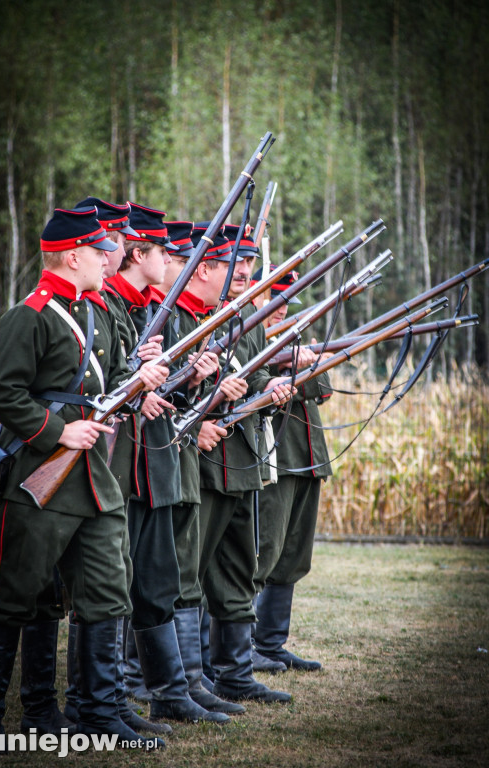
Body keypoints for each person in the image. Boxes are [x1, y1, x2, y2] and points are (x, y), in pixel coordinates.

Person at [0, 206, 169, 750]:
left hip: (93, 478)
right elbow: (0, 392)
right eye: (102, 247)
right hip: (42, 473)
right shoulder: (32, 315)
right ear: (73, 253)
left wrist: (141, 374)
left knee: (108, 589)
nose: (111, 255)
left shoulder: (96, 310)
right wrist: (56, 432)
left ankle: (100, 711)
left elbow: (100, 388)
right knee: (16, 594)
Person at [105, 203, 229, 725]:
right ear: (141, 255)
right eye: (164, 252)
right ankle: (113, 696)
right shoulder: (113, 308)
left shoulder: (140, 311)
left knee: (156, 582)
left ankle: (169, 692)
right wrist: (141, 389)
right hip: (124, 467)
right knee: (111, 587)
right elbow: (104, 387)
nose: (173, 261)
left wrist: (189, 382)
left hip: (152, 467)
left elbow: (154, 385)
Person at [190, 223, 294, 704]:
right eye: (237, 262)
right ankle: (185, 678)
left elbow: (252, 384)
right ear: (208, 264)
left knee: (236, 568)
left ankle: (233, 674)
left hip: (243, 461)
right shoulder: (194, 319)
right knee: (190, 570)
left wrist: (270, 392)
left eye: (251, 264)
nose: (245, 272)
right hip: (208, 460)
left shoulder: (241, 322)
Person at [250, 263, 333, 671]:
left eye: (286, 304)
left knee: (294, 553)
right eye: (275, 302)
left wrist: (301, 362)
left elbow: (322, 389)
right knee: (262, 551)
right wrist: (280, 368)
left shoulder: (294, 335)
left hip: (307, 453)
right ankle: (240, 648)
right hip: (273, 454)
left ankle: (270, 643)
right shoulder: (249, 338)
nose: (282, 311)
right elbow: (253, 388)